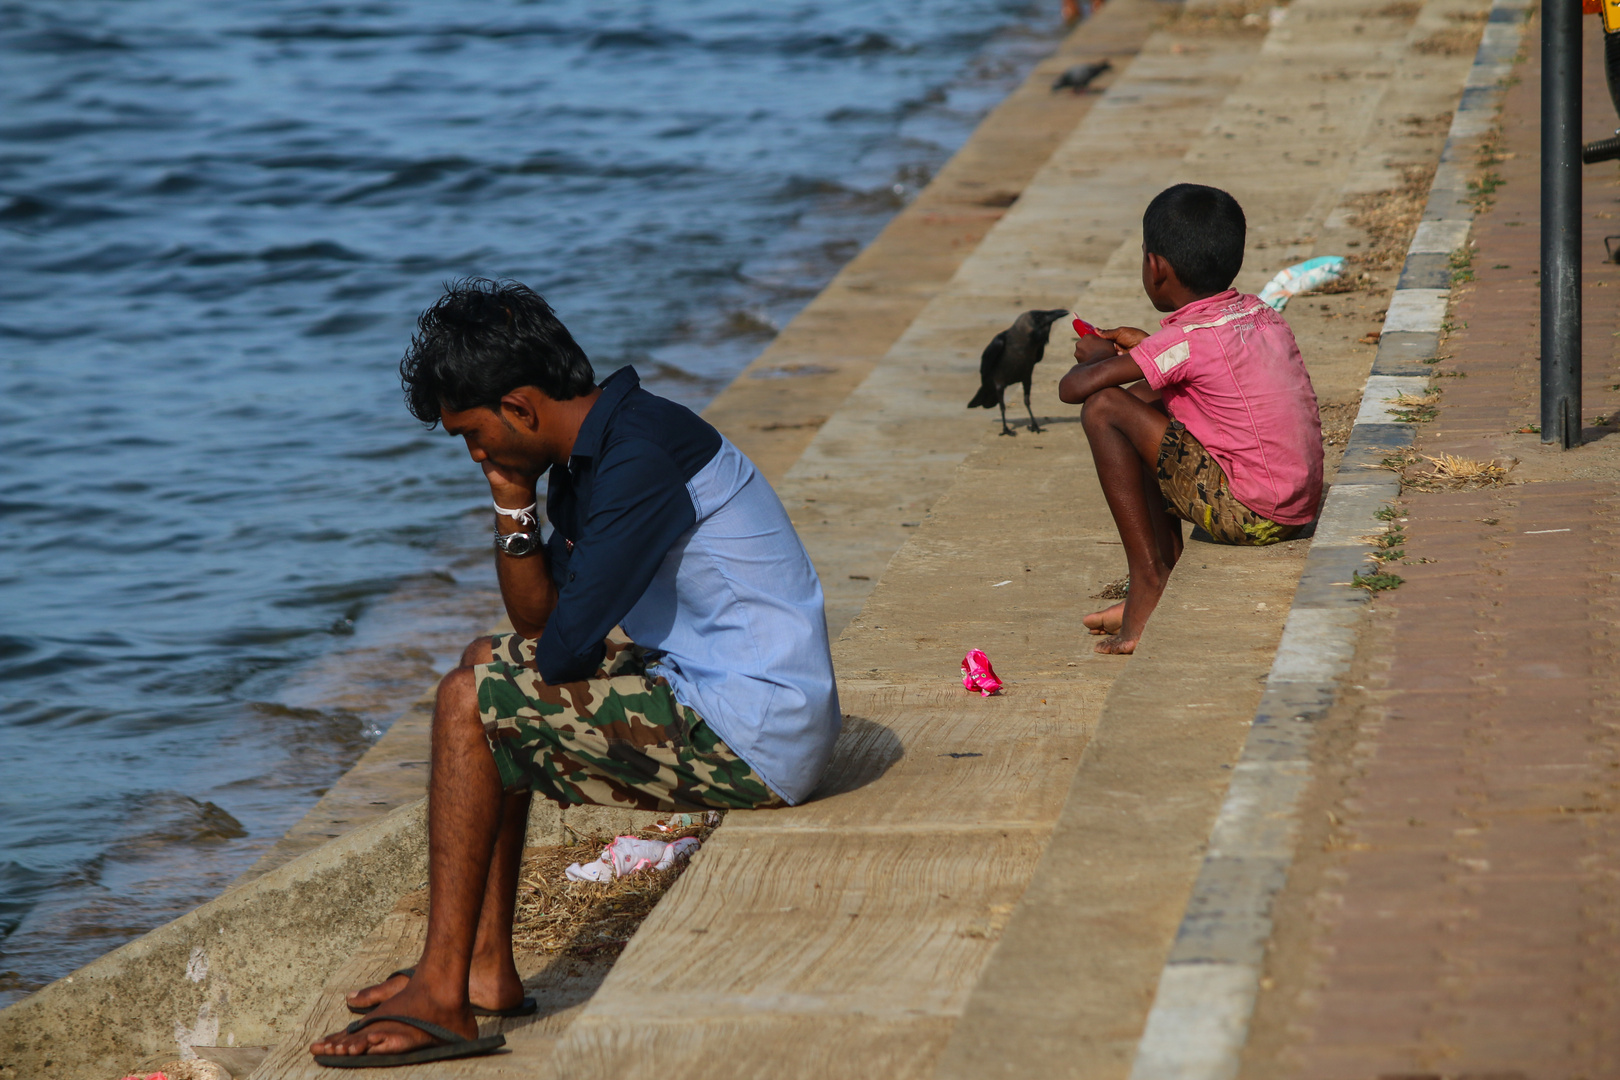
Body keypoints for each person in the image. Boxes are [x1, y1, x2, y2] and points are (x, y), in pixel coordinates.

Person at [309, 279, 840, 1067]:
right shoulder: (597, 451)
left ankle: (442, 996)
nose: (476, 453)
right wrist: (514, 503)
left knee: (469, 702)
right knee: (482, 664)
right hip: (719, 692)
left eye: (473, 434)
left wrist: (515, 505)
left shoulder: (640, 458)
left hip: (757, 727)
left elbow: (562, 653)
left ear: (520, 407)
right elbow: (535, 627)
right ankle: (483, 966)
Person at [1056, 184, 1323, 656]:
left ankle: (1149, 582)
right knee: (1143, 405)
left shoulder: (1187, 340)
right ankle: (1164, 580)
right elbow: (1177, 379)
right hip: (1294, 508)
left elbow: (1074, 390)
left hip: (1255, 516)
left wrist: (1094, 357)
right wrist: (1143, 348)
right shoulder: (1259, 315)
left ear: (1155, 267)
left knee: (1104, 410)